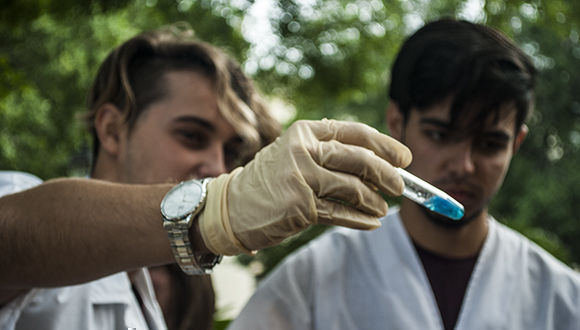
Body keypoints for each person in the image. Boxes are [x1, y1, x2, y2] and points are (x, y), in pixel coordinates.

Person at [0, 24, 413, 330]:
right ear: (112, 129)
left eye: (232, 152)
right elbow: (14, 235)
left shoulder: (165, 298)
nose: (217, 167)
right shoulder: (22, 201)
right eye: (191, 135)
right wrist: (217, 210)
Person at [229, 18, 580, 330]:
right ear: (397, 123)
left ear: (516, 143)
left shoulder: (562, 299)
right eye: (440, 135)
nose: (464, 165)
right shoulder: (314, 279)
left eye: (490, 144)